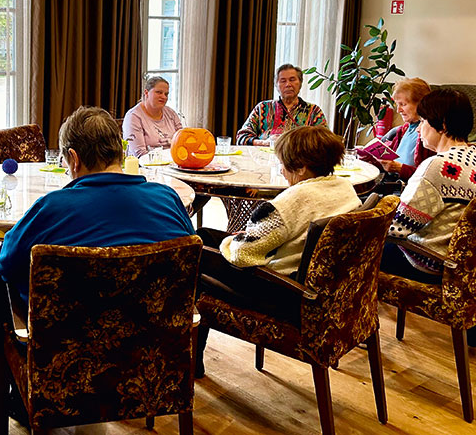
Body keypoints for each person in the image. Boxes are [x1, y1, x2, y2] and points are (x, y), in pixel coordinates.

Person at [194, 126, 361, 377]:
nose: (281, 171)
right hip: (325, 290)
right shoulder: (345, 188)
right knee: (206, 234)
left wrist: (232, 242)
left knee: (196, 251)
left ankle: (190, 359)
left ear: (302, 167)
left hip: (284, 291)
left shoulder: (291, 202)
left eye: (284, 164)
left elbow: (242, 255)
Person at [0, 106, 196, 304]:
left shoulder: (51, 208)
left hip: (64, 335)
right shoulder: (167, 198)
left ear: (74, 159)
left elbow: (5, 265)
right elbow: (193, 261)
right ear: (122, 152)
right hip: (158, 334)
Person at [381, 89, 476, 285]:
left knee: (356, 250)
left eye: (423, 121)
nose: (417, 129)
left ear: (441, 125)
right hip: (465, 265)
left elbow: (397, 229)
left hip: (428, 262)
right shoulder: (473, 154)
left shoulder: (439, 166)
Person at [236, 64, 327, 146]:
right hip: (264, 159)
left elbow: (325, 141)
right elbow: (241, 137)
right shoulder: (263, 107)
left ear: (300, 83)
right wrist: (265, 143)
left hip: (299, 161)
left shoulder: (314, 111)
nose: (288, 84)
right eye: (283, 81)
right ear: (276, 85)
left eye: (292, 80)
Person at [377, 77, 435, 181]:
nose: (398, 110)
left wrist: (400, 169)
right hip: (392, 181)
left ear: (421, 104)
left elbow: (429, 177)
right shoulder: (403, 130)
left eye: (403, 104)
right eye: (397, 105)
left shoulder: (430, 136)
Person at [122, 76, 183, 157]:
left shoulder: (171, 113)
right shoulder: (133, 117)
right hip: (145, 166)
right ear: (146, 93)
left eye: (166, 94)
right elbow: (139, 154)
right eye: (159, 92)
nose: (164, 97)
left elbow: (182, 141)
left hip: (173, 163)